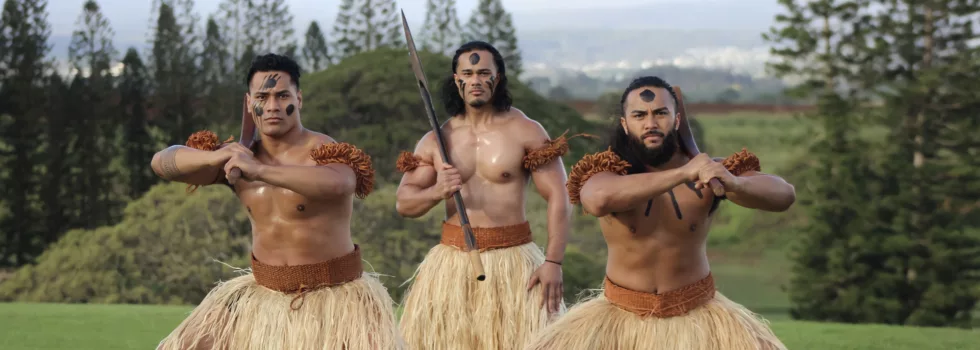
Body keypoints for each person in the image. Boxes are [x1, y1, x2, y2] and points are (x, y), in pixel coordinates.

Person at [152, 53, 403, 350]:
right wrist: (216, 156)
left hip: (335, 299)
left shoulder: (322, 150)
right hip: (264, 295)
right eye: (263, 96)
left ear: (298, 99)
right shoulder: (237, 158)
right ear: (249, 103)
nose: (272, 106)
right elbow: (161, 162)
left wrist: (261, 171)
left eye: (281, 95)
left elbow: (341, 183)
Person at [525, 76, 794, 350]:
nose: (650, 124)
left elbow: (784, 195)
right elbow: (597, 200)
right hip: (619, 316)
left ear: (676, 120)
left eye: (661, 113)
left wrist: (736, 182)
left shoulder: (712, 172)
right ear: (625, 124)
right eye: (639, 115)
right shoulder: (605, 172)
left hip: (699, 315)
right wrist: (682, 174)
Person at [394, 40, 574, 349]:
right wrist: (438, 190)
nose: (475, 80)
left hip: (514, 262)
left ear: (498, 77)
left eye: (483, 72)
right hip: (451, 265)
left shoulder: (525, 130)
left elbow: (560, 196)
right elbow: (404, 203)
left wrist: (554, 262)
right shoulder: (437, 139)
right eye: (467, 73)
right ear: (457, 80)